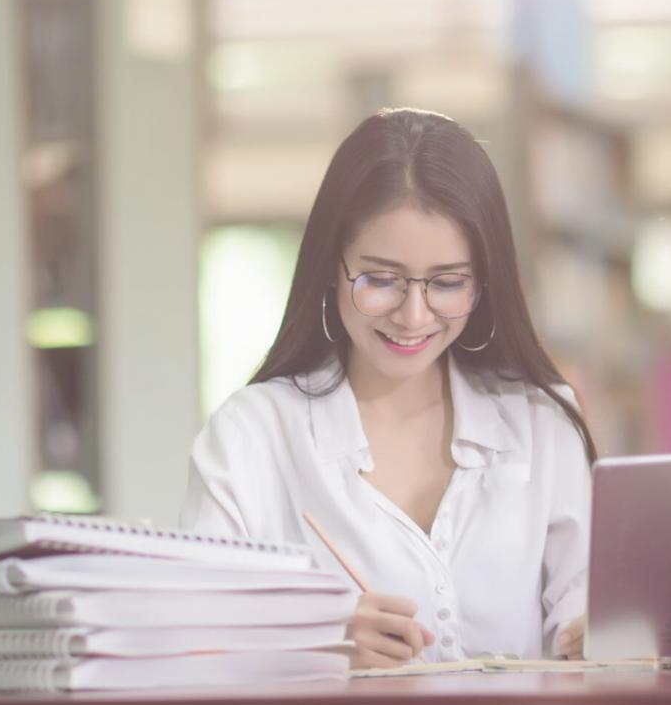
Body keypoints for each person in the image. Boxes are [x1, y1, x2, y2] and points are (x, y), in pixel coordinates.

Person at [180, 108, 595, 668]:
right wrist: (315, 643)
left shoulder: (541, 422)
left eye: (448, 283)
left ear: (484, 283)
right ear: (331, 267)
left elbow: (588, 608)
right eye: (380, 280)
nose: (413, 315)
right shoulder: (252, 436)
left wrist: (599, 633)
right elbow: (192, 643)